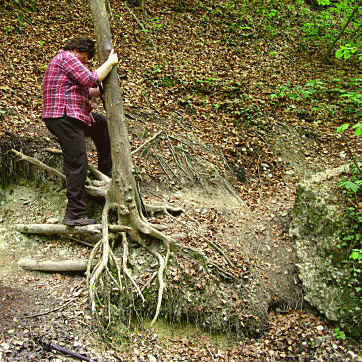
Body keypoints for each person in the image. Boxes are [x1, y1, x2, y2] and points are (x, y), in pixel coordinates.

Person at [42, 38, 118, 226]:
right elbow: (91, 79)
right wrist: (110, 63)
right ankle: (74, 213)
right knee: (77, 163)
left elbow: (88, 89)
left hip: (72, 115)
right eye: (84, 59)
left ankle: (105, 173)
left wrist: (103, 85)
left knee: (101, 126)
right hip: (64, 116)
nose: (84, 63)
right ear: (77, 50)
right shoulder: (66, 57)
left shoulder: (66, 63)